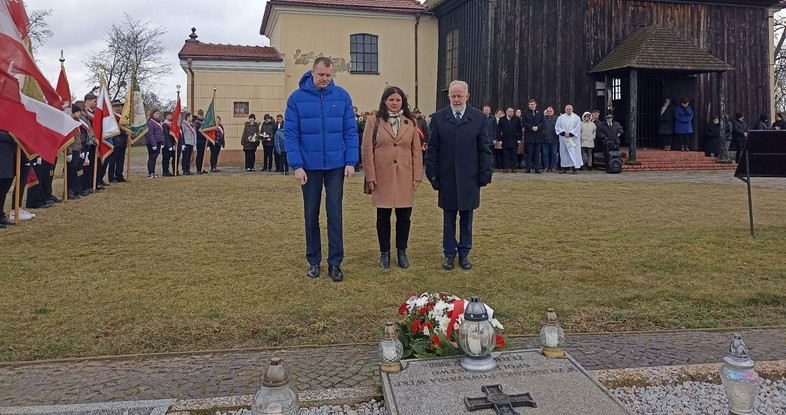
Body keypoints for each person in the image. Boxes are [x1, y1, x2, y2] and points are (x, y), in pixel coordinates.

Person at [284, 57, 358, 282]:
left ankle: (335, 263)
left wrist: (350, 161)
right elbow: (291, 134)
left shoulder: (342, 96)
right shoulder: (296, 99)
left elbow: (350, 131)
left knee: (335, 214)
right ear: (312, 73)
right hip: (309, 167)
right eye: (321, 75)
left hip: (336, 165)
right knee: (311, 214)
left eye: (328, 75)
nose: (325, 79)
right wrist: (296, 165)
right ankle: (314, 261)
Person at [425, 80, 493, 271]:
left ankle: (464, 254)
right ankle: (449, 254)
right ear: (449, 97)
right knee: (448, 219)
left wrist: (484, 175)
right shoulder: (439, 118)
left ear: (467, 97)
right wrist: (433, 175)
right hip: (446, 179)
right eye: (453, 96)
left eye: (459, 96)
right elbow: (433, 150)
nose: (456, 99)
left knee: (466, 218)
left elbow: (484, 149)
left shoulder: (479, 118)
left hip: (469, 179)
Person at [362, 86, 423, 270]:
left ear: (403, 101)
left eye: (398, 100)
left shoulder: (410, 122)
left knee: (404, 217)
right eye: (391, 100)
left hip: (405, 175)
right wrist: (370, 175)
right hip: (382, 176)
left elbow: (416, 151)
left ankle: (402, 251)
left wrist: (417, 175)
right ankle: (385, 253)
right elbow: (367, 150)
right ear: (385, 101)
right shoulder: (374, 120)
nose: (395, 103)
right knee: (383, 216)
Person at [67, 105, 87, 199]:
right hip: (72, 150)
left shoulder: (78, 123)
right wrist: (69, 152)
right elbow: (69, 138)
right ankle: (68, 190)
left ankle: (76, 190)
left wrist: (81, 149)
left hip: (77, 149)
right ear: (73, 112)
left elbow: (79, 138)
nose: (79, 114)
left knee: (76, 171)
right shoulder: (70, 123)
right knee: (70, 172)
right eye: (78, 112)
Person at [556, 105, 583, 174]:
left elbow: (578, 127)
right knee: (564, 153)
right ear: (565, 110)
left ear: (572, 109)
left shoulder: (576, 118)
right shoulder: (560, 118)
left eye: (570, 109)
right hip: (564, 138)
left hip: (573, 139)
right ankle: (564, 168)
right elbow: (557, 126)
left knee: (575, 153)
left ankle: (575, 168)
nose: (568, 110)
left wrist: (570, 134)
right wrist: (563, 133)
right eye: (567, 109)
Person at [497, 107, 522, 173]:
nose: (512, 113)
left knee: (514, 155)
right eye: (510, 111)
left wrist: (519, 139)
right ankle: (505, 168)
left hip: (514, 140)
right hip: (505, 140)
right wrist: (499, 139)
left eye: (512, 112)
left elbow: (519, 130)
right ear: (506, 112)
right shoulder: (502, 119)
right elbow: (498, 130)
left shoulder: (516, 119)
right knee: (505, 155)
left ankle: (513, 168)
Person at [0, 130, 17, 227]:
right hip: (2, 163)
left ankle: (1, 216)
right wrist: (12, 136)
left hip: (9, 165)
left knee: (3, 192)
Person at [522, 99, 544, 174]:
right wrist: (531, 127)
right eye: (530, 104)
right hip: (529, 136)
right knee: (529, 153)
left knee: (537, 153)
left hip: (538, 136)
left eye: (532, 104)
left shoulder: (540, 112)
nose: (531, 106)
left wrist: (538, 127)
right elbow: (524, 122)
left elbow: (543, 122)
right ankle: (528, 168)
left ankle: (537, 168)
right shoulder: (525, 113)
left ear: (535, 104)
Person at [109, 100, 128, 182]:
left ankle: (119, 175)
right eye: (115, 106)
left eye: (119, 106)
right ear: (112, 108)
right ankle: (111, 177)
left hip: (123, 141)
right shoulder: (111, 117)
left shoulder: (124, 117)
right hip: (115, 140)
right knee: (113, 160)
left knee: (121, 160)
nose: (117, 108)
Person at [144, 109, 164, 178]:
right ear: (152, 114)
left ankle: (153, 171)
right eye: (156, 113)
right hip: (152, 142)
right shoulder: (150, 122)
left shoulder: (159, 122)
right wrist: (153, 144)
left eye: (158, 113)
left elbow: (161, 133)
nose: (158, 115)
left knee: (155, 157)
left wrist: (162, 142)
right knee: (152, 157)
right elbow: (150, 134)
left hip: (158, 141)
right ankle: (151, 172)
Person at [542, 106, 559, 172]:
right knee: (545, 154)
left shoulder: (556, 118)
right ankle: (546, 167)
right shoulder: (543, 118)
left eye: (550, 111)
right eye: (548, 111)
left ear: (553, 112)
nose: (549, 113)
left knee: (554, 154)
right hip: (545, 139)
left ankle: (553, 167)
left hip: (554, 139)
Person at [161, 111, 175, 176]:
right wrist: (169, 145)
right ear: (166, 116)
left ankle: (167, 171)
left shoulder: (171, 124)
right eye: (170, 115)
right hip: (166, 144)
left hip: (171, 143)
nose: (171, 116)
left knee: (169, 158)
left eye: (172, 115)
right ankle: (165, 171)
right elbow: (166, 135)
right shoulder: (165, 125)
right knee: (166, 158)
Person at [194, 109, 208, 174]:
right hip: (199, 141)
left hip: (204, 140)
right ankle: (198, 169)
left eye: (202, 115)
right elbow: (198, 132)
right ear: (198, 115)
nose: (201, 116)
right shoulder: (197, 123)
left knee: (202, 155)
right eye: (200, 115)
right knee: (199, 155)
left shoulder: (203, 122)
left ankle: (202, 168)